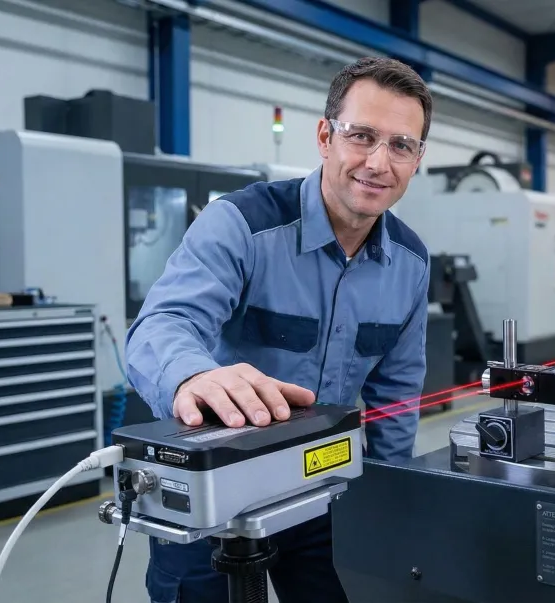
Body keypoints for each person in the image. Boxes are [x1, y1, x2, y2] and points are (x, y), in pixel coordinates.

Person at [124, 56, 434, 603]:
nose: (378, 162)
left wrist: (386, 500)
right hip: (216, 488)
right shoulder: (242, 224)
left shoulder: (410, 262)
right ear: (324, 136)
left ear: (417, 160)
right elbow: (164, 323)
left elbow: (396, 395)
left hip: (327, 488)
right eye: (361, 135)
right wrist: (191, 376)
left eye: (401, 145)